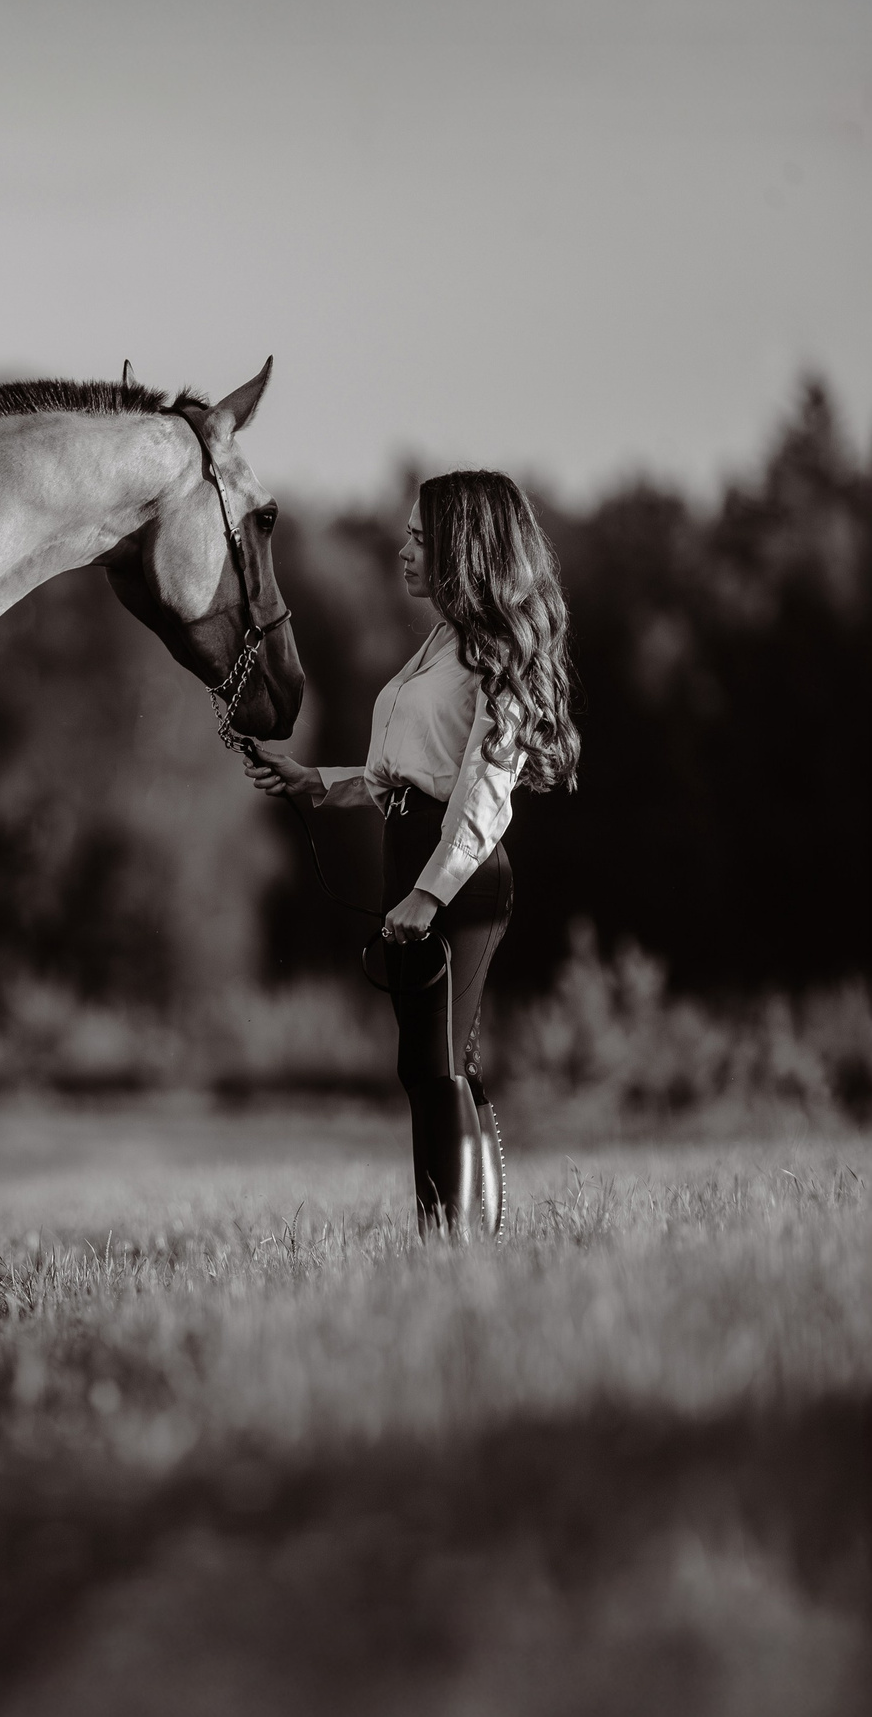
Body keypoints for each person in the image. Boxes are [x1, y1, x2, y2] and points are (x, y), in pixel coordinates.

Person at [246, 470, 580, 1238]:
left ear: (465, 551)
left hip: (456, 874)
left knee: (433, 1068)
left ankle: (450, 1243)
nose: (403, 551)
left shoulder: (494, 656)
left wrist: (429, 894)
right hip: (419, 855)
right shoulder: (442, 643)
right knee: (440, 1064)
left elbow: (481, 794)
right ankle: (471, 1235)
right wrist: (312, 783)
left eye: (421, 540)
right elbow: (403, 771)